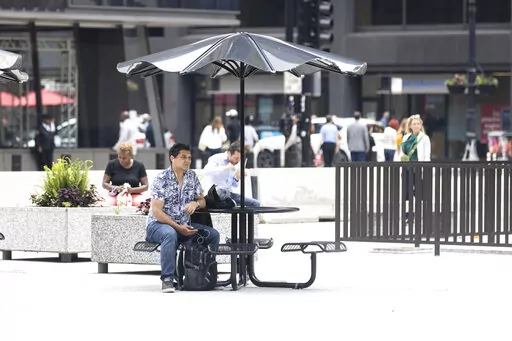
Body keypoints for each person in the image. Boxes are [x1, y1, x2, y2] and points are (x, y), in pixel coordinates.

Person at [145, 143, 220, 293]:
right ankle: (167, 279)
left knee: (212, 235)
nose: (187, 161)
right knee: (170, 233)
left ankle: (204, 274)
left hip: (184, 225)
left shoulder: (192, 176)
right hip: (158, 226)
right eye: (183, 157)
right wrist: (178, 228)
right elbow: (157, 212)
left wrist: (195, 203)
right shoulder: (161, 179)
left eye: (189, 158)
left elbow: (202, 200)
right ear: (172, 158)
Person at [203, 141, 260, 207]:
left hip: (229, 194)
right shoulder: (216, 158)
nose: (238, 160)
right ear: (229, 154)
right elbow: (206, 171)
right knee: (223, 192)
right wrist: (224, 168)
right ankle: (231, 203)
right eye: (236, 158)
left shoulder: (237, 163)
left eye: (239, 158)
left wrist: (237, 178)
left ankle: (232, 204)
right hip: (215, 194)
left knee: (256, 203)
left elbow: (233, 185)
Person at [102, 142, 149, 206]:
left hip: (134, 195)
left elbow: (145, 186)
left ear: (130, 156)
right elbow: (104, 183)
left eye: (124, 158)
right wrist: (116, 188)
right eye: (119, 157)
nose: (121, 160)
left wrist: (132, 190)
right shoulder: (111, 164)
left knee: (140, 204)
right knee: (106, 204)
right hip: (115, 195)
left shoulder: (139, 166)